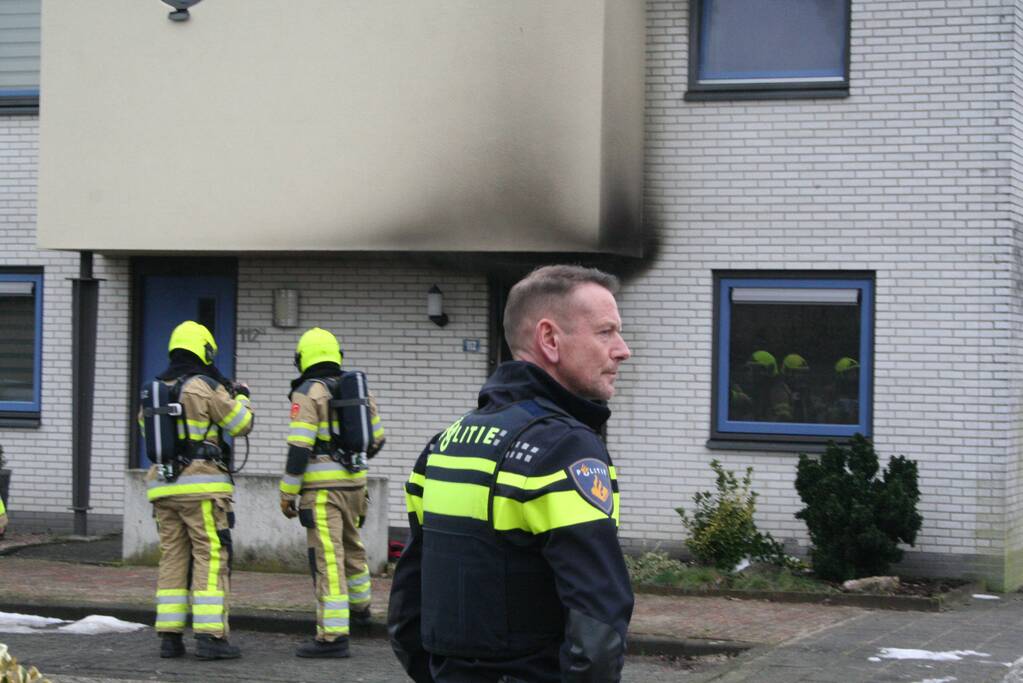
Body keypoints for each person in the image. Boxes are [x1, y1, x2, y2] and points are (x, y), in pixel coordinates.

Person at [388, 264, 635, 683]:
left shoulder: (445, 444)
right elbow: (597, 627)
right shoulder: (566, 449)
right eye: (605, 332)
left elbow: (407, 614)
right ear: (550, 339)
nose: (622, 349)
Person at [140, 320, 253, 660]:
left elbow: (146, 428)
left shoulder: (157, 387)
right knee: (210, 554)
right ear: (203, 350)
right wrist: (243, 396)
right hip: (202, 487)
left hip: (163, 488)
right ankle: (209, 637)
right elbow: (241, 424)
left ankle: (169, 638)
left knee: (173, 556)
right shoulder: (202, 385)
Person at [280, 327, 385, 658]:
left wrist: (287, 493)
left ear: (304, 358)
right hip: (355, 487)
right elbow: (377, 440)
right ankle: (361, 611)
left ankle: (332, 637)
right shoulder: (358, 390)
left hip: (322, 492)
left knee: (328, 558)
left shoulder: (308, 392)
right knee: (353, 547)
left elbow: (299, 448)